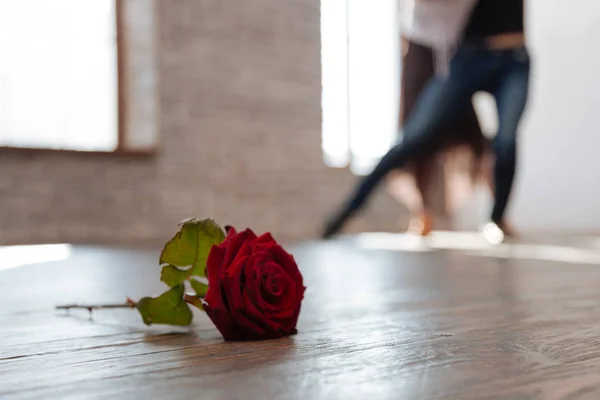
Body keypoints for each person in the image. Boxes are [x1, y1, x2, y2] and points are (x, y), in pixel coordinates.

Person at [322, 0, 529, 242]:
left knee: (504, 141)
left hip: (513, 58)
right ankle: (349, 209)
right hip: (464, 59)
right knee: (411, 140)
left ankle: (497, 219)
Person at [389, 0, 492, 236]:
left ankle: (498, 213)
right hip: (421, 54)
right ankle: (422, 212)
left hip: (455, 56)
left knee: (474, 137)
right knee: (416, 141)